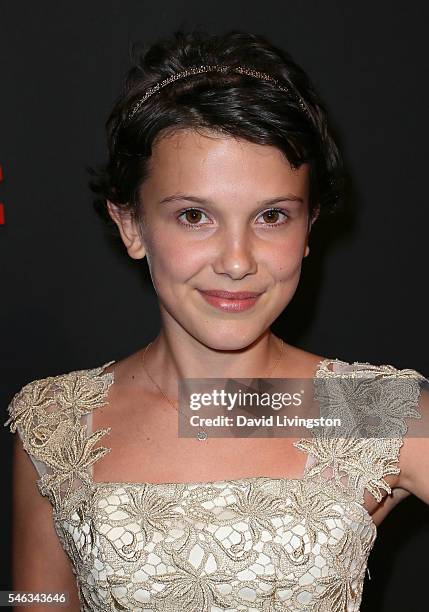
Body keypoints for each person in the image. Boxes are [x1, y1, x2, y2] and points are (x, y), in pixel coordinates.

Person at [5, 29, 429, 612]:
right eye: (195, 216)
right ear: (132, 225)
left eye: (273, 216)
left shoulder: (363, 407)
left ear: (309, 229)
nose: (237, 261)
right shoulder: (55, 421)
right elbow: (34, 597)